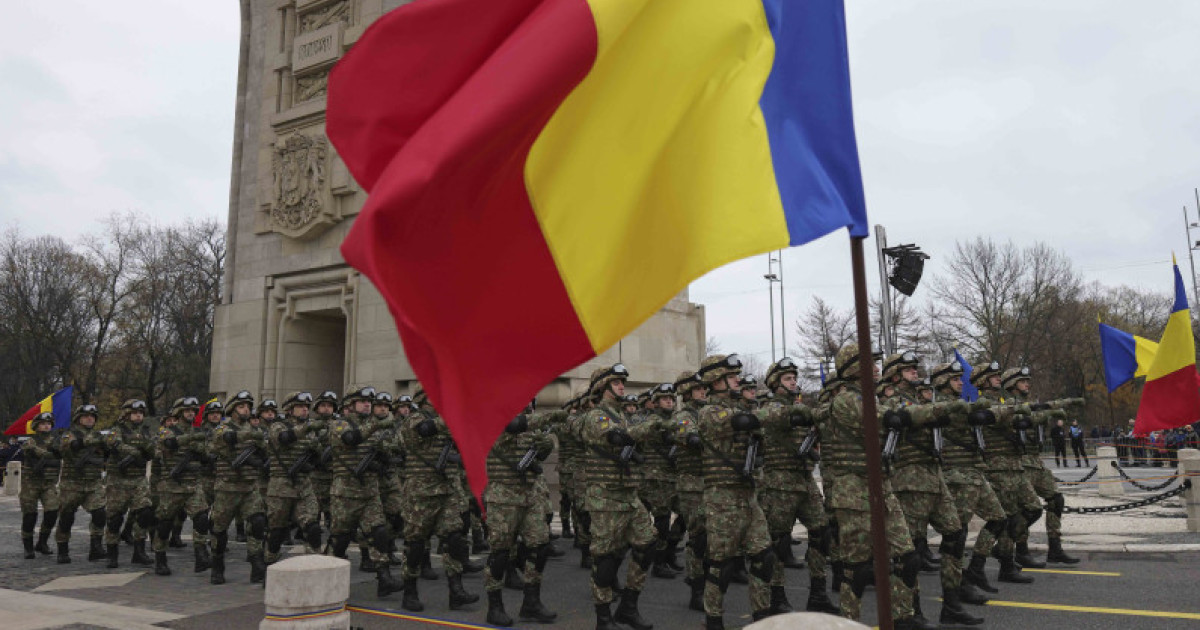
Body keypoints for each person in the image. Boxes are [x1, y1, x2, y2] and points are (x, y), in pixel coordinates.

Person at [825, 345, 933, 629]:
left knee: (907, 558)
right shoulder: (845, 400)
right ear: (853, 368)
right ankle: (848, 624)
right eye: (870, 363)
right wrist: (902, 416)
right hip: (853, 492)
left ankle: (903, 617)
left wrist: (937, 413)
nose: (876, 369)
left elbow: (892, 412)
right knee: (857, 570)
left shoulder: (871, 397)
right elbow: (877, 415)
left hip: (882, 488)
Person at [579, 363, 669, 630]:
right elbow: (619, 437)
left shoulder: (621, 415)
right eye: (616, 383)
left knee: (647, 544)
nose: (622, 387)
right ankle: (603, 618)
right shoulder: (596, 416)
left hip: (629, 495)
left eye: (622, 382)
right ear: (603, 387)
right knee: (604, 559)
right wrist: (655, 421)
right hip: (605, 497)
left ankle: (628, 606)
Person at [694, 354, 776, 628]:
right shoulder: (709, 412)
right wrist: (771, 413)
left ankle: (762, 617)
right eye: (731, 377)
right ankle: (714, 620)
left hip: (748, 497)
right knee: (721, 565)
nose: (738, 381)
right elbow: (742, 422)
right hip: (723, 499)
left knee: (764, 558)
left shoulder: (742, 408)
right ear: (715, 382)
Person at [483, 402, 558, 626]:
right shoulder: (496, 417)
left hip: (530, 494)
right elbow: (514, 425)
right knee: (500, 553)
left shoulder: (529, 424)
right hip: (503, 496)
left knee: (540, 547)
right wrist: (553, 415)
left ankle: (531, 602)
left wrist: (546, 445)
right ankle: (495, 607)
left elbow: (539, 455)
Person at [329, 385, 403, 598]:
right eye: (362, 401)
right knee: (340, 539)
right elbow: (351, 439)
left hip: (370, 492)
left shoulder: (375, 427)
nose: (367, 405)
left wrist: (385, 453)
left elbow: (393, 452)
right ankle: (330, 579)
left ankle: (384, 578)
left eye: (369, 402)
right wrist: (377, 425)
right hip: (345, 493)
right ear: (350, 405)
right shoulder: (339, 424)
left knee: (379, 532)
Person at [208, 390, 269, 584]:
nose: (246, 410)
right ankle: (217, 565)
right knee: (219, 529)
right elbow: (229, 438)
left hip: (250, 487)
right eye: (241, 406)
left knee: (258, 522)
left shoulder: (254, 430)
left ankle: (256, 563)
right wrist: (255, 435)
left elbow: (265, 451)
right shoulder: (222, 428)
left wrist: (262, 452)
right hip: (227, 487)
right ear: (232, 409)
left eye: (248, 406)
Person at [103, 399, 157, 569]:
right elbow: (113, 443)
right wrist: (134, 451)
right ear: (126, 414)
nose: (138, 416)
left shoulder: (146, 431)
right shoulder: (117, 430)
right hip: (118, 480)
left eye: (140, 413)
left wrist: (147, 446)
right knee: (115, 519)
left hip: (138, 480)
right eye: (134, 413)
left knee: (145, 513)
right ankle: (112, 554)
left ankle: (139, 552)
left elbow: (154, 450)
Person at [56, 404, 108, 564]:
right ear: (78, 418)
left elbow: (107, 453)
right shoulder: (69, 434)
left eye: (92, 416)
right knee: (66, 517)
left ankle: (96, 548)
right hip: (72, 484)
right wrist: (90, 441)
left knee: (100, 514)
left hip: (93, 483)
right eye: (86, 416)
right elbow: (71, 446)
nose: (90, 419)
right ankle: (62, 550)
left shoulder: (98, 435)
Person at [19, 413, 60, 559]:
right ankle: (28, 547)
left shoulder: (57, 441)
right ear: (36, 426)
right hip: (31, 484)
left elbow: (59, 456)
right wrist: (50, 456)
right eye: (43, 423)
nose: (46, 426)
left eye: (48, 423)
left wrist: (46, 455)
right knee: (30, 515)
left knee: (52, 512)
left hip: (48, 483)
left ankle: (42, 542)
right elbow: (29, 451)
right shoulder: (30, 441)